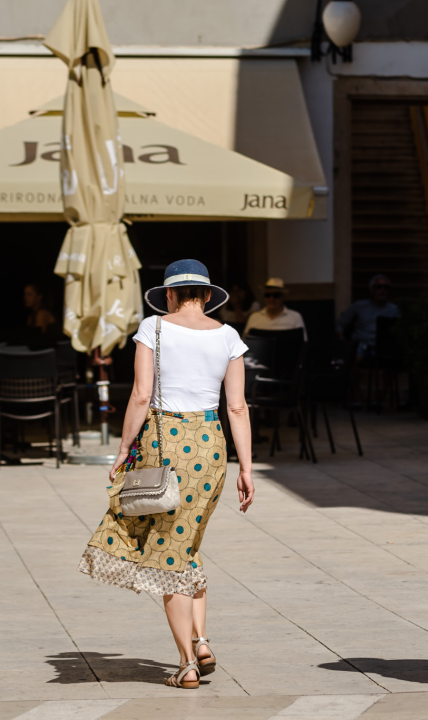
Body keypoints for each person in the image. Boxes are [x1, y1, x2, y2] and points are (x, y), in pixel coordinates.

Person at [79, 259, 254, 690]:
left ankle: (186, 663)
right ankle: (203, 640)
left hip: (165, 443)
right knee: (186, 543)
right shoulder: (229, 336)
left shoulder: (153, 328)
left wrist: (122, 449)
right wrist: (247, 468)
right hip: (212, 446)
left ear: (170, 295)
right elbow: (237, 407)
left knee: (167, 555)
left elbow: (140, 395)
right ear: (208, 295)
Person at [336, 274, 401, 359]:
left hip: (384, 349)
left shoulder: (394, 309)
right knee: (354, 357)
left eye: (386, 287)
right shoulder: (358, 306)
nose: (382, 290)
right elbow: (340, 324)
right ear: (371, 290)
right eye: (378, 286)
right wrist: (342, 340)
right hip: (361, 346)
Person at [242, 278, 307, 340]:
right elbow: (245, 342)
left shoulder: (295, 317)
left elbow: (303, 343)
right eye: (267, 295)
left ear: (283, 297)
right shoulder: (254, 317)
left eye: (276, 295)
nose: (271, 299)